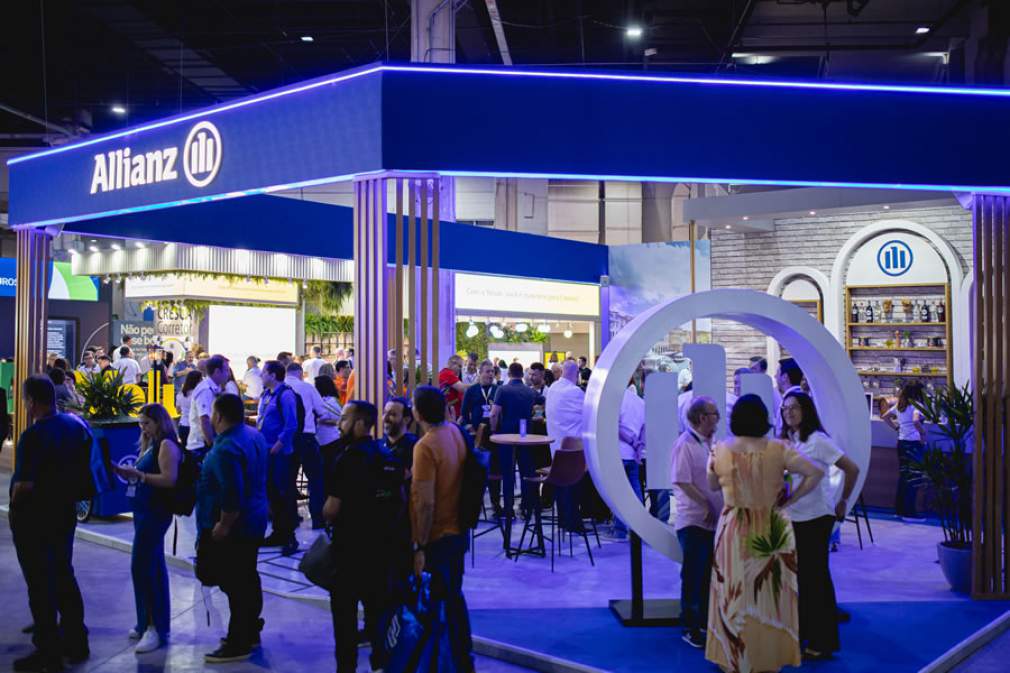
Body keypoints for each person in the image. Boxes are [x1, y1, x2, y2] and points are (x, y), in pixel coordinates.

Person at [705, 394, 824, 673]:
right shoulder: (780, 448)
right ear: (763, 418)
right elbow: (815, 473)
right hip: (773, 526)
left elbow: (712, 485)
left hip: (734, 527)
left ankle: (733, 658)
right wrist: (791, 498)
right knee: (771, 594)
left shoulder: (719, 449)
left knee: (733, 591)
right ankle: (768, 658)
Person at [10, 375, 93, 671]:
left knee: (39, 584)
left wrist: (14, 509)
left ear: (32, 401)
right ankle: (76, 640)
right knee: (63, 576)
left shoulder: (33, 436)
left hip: (35, 518)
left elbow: (25, 485)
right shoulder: (76, 425)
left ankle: (48, 651)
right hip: (64, 513)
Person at [324, 400, 404, 673]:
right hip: (382, 551)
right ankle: (382, 665)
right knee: (379, 617)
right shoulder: (387, 455)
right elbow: (399, 501)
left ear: (359, 424)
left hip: (349, 553)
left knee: (344, 620)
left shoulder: (346, 459)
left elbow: (331, 509)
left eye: (344, 419)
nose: (339, 424)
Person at [781, 391, 860, 659]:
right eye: (785, 408)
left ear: (806, 410)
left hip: (816, 518)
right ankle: (805, 634)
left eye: (794, 407)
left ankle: (822, 641)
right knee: (803, 579)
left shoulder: (818, 440)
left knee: (815, 580)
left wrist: (843, 501)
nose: (789, 412)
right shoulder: (788, 440)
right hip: (794, 517)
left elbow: (852, 468)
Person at [196, 394, 269, 663]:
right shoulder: (254, 436)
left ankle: (239, 640)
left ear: (218, 416)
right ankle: (250, 629)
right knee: (247, 576)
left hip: (235, 525)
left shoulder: (226, 448)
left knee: (235, 582)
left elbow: (232, 492)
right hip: (256, 516)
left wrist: (223, 525)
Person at [410, 386, 474, 672]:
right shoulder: (455, 433)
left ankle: (435, 664)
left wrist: (419, 545)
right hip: (458, 530)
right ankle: (462, 658)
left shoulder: (425, 447)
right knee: (454, 599)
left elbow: (425, 502)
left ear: (418, 412)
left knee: (433, 606)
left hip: (437, 537)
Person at [112, 404, 182, 653]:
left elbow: (169, 479)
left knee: (144, 567)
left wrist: (139, 475)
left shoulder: (166, 445)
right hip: (144, 513)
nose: (143, 428)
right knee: (150, 567)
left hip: (155, 514)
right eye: (140, 423)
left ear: (159, 422)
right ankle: (148, 622)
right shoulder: (151, 444)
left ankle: (154, 626)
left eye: (147, 423)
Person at [671, 396, 724, 649]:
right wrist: (705, 505)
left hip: (714, 520)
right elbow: (681, 480)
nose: (718, 419)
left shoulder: (712, 444)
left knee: (707, 575)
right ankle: (690, 627)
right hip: (693, 520)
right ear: (702, 418)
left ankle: (704, 622)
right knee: (693, 574)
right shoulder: (685, 444)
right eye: (715, 414)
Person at [490, 362, 542, 540]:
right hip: (525, 433)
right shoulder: (529, 391)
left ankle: (508, 509)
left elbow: (494, 413)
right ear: (522, 374)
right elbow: (542, 403)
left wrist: (493, 430)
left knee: (508, 474)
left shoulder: (502, 390)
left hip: (507, 434)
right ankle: (527, 508)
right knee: (527, 472)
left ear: (509, 374)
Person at [257, 360, 299, 555]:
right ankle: (278, 532)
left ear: (273, 375)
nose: (261, 375)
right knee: (272, 494)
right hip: (266, 452)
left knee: (284, 493)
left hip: (280, 453)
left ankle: (289, 536)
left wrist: (278, 445)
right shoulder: (266, 394)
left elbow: (291, 424)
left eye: (264, 372)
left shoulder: (285, 394)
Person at [285, 362, 328, 529]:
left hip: (287, 439)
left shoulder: (280, 388)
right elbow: (322, 412)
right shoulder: (307, 387)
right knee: (315, 479)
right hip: (306, 437)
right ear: (300, 373)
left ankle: (291, 518)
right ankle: (317, 519)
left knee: (288, 479)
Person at [883, 382, 926, 521]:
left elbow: (885, 416)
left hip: (901, 443)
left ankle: (900, 510)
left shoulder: (900, 405)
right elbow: (916, 421)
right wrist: (923, 433)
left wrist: (897, 428)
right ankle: (909, 513)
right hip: (914, 444)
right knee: (913, 478)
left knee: (904, 477)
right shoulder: (917, 405)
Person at [611, 376, 645, 540]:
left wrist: (632, 441)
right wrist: (639, 446)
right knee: (636, 492)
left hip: (619, 452)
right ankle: (639, 528)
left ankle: (620, 530)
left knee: (619, 493)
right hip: (633, 455)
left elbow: (615, 426)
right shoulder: (640, 402)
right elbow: (644, 428)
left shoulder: (616, 400)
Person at [186, 355, 231, 454]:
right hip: (201, 445)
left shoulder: (215, 387)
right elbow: (204, 420)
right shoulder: (205, 390)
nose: (229, 374)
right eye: (226, 370)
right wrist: (212, 446)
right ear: (217, 371)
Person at [382, 396, 418, 472]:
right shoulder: (378, 446)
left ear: (406, 420)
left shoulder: (416, 449)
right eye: (384, 413)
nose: (385, 418)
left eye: (392, 414)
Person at [314, 375, 343, 465]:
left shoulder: (331, 402)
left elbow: (340, 420)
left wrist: (320, 421)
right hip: (324, 440)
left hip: (331, 439)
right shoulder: (326, 400)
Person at [438, 354, 469, 421]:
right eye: (459, 366)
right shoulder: (448, 374)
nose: (460, 369)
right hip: (452, 415)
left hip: (451, 413)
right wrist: (477, 383)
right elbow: (463, 388)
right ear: (453, 363)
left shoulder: (444, 373)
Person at [176, 370, 203, 447]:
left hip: (183, 425)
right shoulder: (198, 394)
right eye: (201, 379)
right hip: (195, 427)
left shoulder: (180, 394)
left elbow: (178, 411)